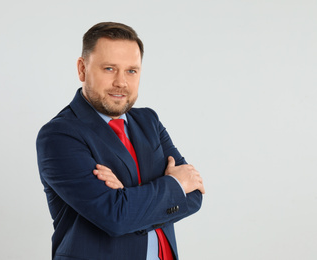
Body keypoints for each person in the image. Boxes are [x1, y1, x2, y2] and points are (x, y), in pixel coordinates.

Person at [36, 22, 205, 260]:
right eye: (109, 69)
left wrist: (127, 197)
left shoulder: (149, 121)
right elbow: (115, 217)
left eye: (131, 71)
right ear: (82, 69)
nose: (121, 82)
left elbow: (194, 195)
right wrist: (172, 186)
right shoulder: (59, 135)